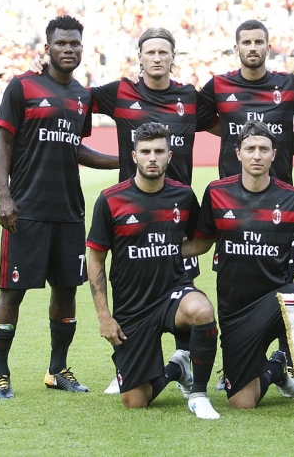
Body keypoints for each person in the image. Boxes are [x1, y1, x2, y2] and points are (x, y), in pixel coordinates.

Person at [31, 26, 213, 395]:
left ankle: (184, 363)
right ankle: (131, 367)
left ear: (173, 58)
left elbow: (230, 117)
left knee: (185, 287)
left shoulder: (191, 97)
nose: (157, 58)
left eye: (164, 52)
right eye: (150, 52)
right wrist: (45, 72)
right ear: (139, 58)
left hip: (177, 212)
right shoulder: (119, 92)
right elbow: (74, 94)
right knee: (133, 292)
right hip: (132, 213)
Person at [0, 15, 112, 399]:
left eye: (75, 43)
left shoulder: (82, 96)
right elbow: (2, 142)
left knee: (66, 291)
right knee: (12, 293)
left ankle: (57, 370)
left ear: (82, 48)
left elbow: (75, 147)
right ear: (47, 48)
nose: (68, 49)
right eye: (61, 43)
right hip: (26, 210)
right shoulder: (22, 86)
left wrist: (123, 161)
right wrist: (4, 196)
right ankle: (0, 375)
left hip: (69, 211)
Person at [185, 121, 294, 422]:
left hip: (278, 299)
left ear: (274, 154)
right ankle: (277, 368)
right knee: (242, 401)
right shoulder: (216, 193)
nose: (257, 155)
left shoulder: (293, 198)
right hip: (236, 311)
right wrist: (161, 250)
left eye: (264, 149)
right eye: (250, 148)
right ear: (238, 153)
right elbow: (201, 243)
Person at [86, 123, 219, 418]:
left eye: (159, 151)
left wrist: (167, 247)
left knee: (201, 310)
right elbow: (95, 259)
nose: (152, 158)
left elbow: (200, 242)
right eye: (145, 151)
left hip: (172, 293)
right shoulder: (111, 200)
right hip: (132, 307)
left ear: (169, 156)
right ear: (134, 156)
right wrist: (104, 317)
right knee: (135, 400)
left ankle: (199, 393)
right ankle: (177, 369)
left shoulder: (183, 196)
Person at [198, 20, 294, 185]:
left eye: (259, 42)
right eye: (247, 42)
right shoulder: (218, 85)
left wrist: (287, 144)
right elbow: (198, 117)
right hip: (230, 190)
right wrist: (229, 130)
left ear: (268, 49)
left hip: (280, 189)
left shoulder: (291, 85)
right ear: (237, 49)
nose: (253, 48)